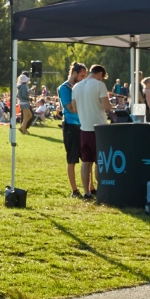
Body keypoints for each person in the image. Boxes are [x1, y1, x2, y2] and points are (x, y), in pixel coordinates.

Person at [72, 64, 112, 200]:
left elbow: (75, 108)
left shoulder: (76, 86)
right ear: (100, 74)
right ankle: (100, 190)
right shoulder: (99, 85)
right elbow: (107, 107)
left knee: (85, 161)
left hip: (84, 128)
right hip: (99, 128)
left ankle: (86, 192)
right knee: (98, 160)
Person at [59, 62, 88, 198]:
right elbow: (70, 107)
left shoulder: (80, 88)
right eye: (82, 76)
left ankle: (89, 189)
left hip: (83, 124)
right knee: (72, 159)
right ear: (74, 73)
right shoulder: (64, 88)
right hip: (71, 126)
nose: (83, 79)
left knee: (87, 158)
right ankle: (75, 190)